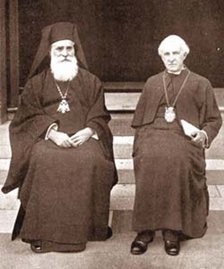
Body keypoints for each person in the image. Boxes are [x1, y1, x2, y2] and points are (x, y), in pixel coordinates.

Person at [1, 22, 117, 253]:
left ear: (75, 51)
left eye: (69, 49)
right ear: (50, 52)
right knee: (42, 158)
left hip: (83, 139)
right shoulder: (36, 83)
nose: (64, 54)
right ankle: (41, 231)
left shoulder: (91, 81)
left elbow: (100, 114)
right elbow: (26, 117)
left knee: (92, 158)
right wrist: (52, 133)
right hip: (48, 139)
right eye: (59, 50)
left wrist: (89, 130)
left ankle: (88, 228)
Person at [130, 35, 222, 256]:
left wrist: (202, 135)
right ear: (161, 57)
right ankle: (145, 229)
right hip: (152, 134)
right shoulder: (152, 82)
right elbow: (140, 121)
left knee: (176, 159)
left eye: (175, 53)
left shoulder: (201, 83)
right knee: (148, 156)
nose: (171, 59)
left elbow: (214, 120)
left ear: (184, 54)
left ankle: (172, 230)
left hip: (184, 138)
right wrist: (142, 139)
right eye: (166, 54)